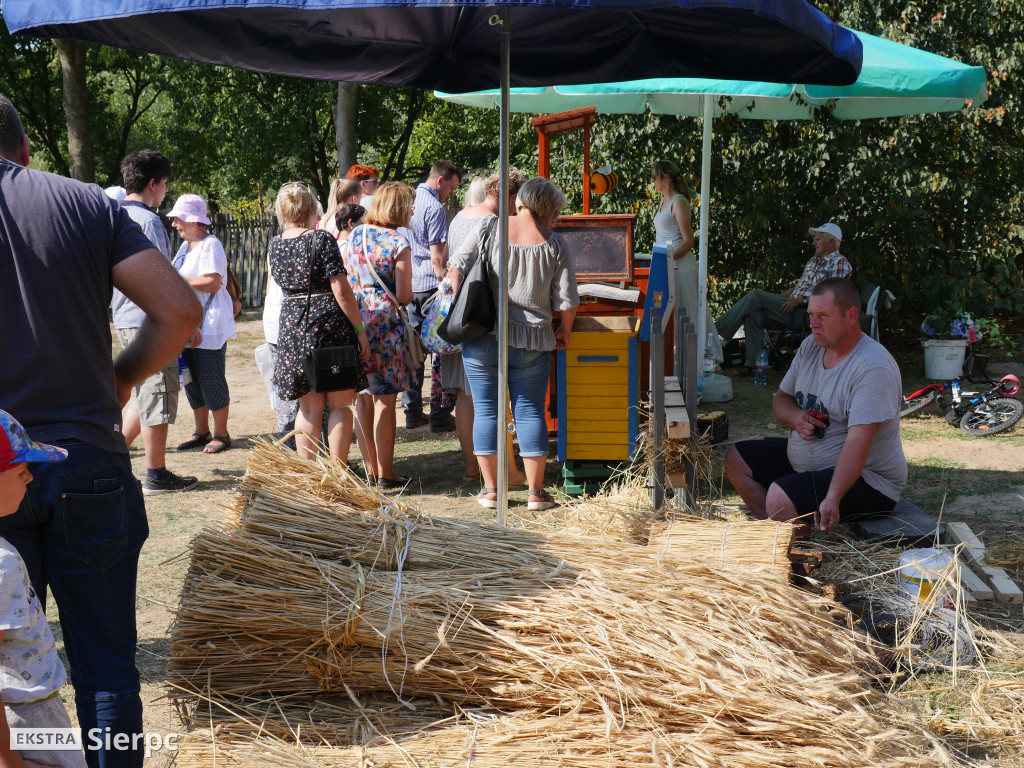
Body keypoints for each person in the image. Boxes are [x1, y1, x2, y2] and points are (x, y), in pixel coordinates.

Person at [0, 93, 202, 768]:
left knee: (12, 677)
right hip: (88, 458)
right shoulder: (88, 203)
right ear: (25, 149)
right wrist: (118, 382)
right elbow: (178, 311)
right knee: (108, 667)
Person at [724, 278, 907, 536]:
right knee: (736, 459)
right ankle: (776, 535)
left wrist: (832, 496)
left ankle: (796, 549)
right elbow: (781, 400)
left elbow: (858, 443)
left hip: (868, 481)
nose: (813, 323)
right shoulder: (812, 345)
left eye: (823, 315)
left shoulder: (872, 367)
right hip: (810, 463)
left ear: (851, 316)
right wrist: (797, 417)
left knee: (779, 497)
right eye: (811, 314)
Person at [450, 176, 580, 512]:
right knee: (530, 411)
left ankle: (492, 491)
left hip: (483, 335)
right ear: (548, 207)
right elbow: (567, 301)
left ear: (520, 200)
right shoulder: (554, 243)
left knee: (488, 410)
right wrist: (563, 331)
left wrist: (461, 299)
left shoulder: (489, 228)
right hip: (533, 338)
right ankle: (536, 494)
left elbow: (455, 267)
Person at [0, 410, 88, 768]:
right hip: (28, 716)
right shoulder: (1, 564)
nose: (31, 477)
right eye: (20, 469)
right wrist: (9, 761)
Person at [110, 149, 200, 495]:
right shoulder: (148, 221)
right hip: (150, 319)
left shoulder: (114, 215)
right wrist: (181, 322)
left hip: (126, 316)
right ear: (153, 183)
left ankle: (119, 459)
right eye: (165, 185)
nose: (166, 192)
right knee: (158, 394)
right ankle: (156, 474)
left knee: (141, 393)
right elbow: (165, 279)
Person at [269, 182, 370, 462]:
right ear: (312, 208)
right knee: (340, 405)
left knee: (309, 409)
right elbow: (341, 289)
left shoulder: (276, 245)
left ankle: (311, 476)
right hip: (327, 327)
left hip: (292, 326)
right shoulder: (321, 239)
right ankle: (338, 474)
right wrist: (360, 330)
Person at [444, 168, 528, 487]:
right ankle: (507, 471)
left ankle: (474, 468)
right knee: (499, 403)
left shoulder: (460, 218)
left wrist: (459, 306)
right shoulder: (501, 224)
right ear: (510, 197)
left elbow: (454, 266)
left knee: (471, 400)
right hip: (496, 323)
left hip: (468, 321)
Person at [344, 182, 417, 489]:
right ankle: (386, 473)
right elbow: (404, 295)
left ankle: (372, 470)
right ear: (398, 208)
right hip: (385, 323)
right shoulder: (397, 242)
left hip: (355, 320)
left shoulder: (355, 234)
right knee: (386, 402)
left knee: (363, 398)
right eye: (409, 205)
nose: (412, 210)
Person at [716, 222, 852, 374]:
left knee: (756, 295)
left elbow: (832, 297)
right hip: (792, 308)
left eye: (818, 239)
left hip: (809, 313)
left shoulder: (840, 263)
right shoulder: (814, 261)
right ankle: (753, 366)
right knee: (754, 314)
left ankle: (717, 333)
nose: (813, 243)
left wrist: (800, 300)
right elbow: (799, 287)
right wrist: (778, 298)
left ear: (831, 241)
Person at [169, 194, 238, 454]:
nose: (174, 224)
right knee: (191, 380)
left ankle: (222, 434)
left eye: (178, 218)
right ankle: (201, 432)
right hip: (187, 324)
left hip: (209, 324)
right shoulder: (185, 248)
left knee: (211, 378)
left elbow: (212, 282)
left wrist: (178, 282)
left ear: (193, 220)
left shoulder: (210, 244)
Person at [404, 159, 465, 432]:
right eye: (451, 187)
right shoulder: (434, 207)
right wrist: (446, 283)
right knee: (441, 352)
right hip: (430, 287)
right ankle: (440, 414)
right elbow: (437, 258)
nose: (451, 193)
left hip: (408, 285)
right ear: (440, 181)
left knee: (414, 353)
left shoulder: (409, 201)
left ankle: (412, 412)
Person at [651, 159, 722, 364]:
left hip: (679, 264)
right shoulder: (663, 201)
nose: (653, 181)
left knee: (686, 310)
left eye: (655, 177)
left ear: (665, 178)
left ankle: (701, 358)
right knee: (670, 312)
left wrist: (668, 257)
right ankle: (678, 357)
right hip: (664, 262)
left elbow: (689, 240)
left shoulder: (678, 201)